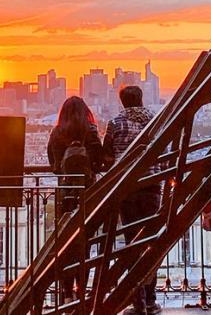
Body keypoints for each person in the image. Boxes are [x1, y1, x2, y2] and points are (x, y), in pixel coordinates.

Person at [103, 86, 162, 315]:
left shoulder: (116, 123)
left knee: (131, 244)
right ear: (141, 99)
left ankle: (137, 301)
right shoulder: (156, 122)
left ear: (122, 102)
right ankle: (150, 298)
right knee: (150, 243)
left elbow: (107, 156)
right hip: (153, 186)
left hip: (128, 189)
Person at [48, 96, 104, 216]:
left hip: (65, 184)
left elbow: (52, 161)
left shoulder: (57, 132)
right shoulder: (90, 130)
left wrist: (62, 168)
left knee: (65, 223)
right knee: (88, 221)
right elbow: (99, 157)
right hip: (87, 185)